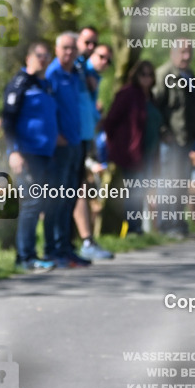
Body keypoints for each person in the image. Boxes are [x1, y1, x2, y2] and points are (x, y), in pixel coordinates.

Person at [2, 41, 58, 272]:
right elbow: (7, 120)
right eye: (38, 55)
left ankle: (30, 254)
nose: (43, 59)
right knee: (31, 203)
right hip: (26, 154)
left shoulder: (44, 84)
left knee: (39, 203)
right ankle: (25, 256)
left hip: (45, 153)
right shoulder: (20, 83)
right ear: (28, 57)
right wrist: (13, 151)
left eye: (47, 56)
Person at [153, 40, 195, 237]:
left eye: (189, 52)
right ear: (173, 52)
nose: (186, 56)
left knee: (182, 183)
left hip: (186, 140)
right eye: (183, 52)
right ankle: (166, 226)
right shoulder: (163, 75)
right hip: (170, 141)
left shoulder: (189, 74)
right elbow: (153, 106)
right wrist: (162, 131)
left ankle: (178, 224)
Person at [45, 32, 90, 267]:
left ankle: (66, 246)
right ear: (56, 49)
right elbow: (46, 110)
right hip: (60, 147)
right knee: (57, 199)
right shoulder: (52, 75)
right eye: (65, 48)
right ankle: (53, 248)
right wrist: (55, 136)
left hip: (75, 143)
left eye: (73, 48)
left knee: (70, 198)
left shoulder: (74, 75)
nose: (69, 52)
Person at [104, 59, 159, 234]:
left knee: (143, 190)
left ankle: (141, 227)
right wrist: (119, 145)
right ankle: (133, 228)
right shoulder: (127, 93)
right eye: (143, 74)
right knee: (134, 191)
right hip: (132, 153)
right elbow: (110, 121)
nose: (146, 78)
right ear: (136, 75)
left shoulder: (150, 96)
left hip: (150, 151)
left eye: (150, 75)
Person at [73, 29, 114, 259]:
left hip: (86, 136)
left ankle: (81, 241)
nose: (103, 61)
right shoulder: (77, 68)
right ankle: (84, 241)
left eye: (108, 59)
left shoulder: (90, 76)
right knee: (75, 188)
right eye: (88, 44)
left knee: (81, 189)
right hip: (73, 137)